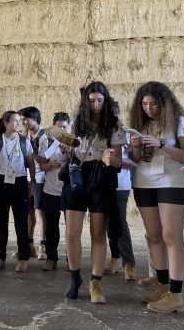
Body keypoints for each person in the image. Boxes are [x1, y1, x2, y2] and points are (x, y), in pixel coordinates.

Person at [129, 81, 184, 313]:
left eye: (154, 104)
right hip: (145, 181)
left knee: (171, 235)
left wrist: (162, 144)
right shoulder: (142, 125)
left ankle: (176, 294)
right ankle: (162, 285)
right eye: (144, 104)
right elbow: (138, 159)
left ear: (164, 103)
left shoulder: (178, 122)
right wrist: (135, 145)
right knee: (154, 236)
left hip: (172, 181)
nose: (148, 108)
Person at [63, 82, 125, 303]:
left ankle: (95, 283)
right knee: (72, 234)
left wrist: (110, 158)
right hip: (77, 176)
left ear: (106, 100)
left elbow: (118, 160)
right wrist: (63, 148)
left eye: (100, 100)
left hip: (101, 177)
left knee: (98, 233)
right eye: (91, 100)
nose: (96, 104)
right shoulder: (76, 123)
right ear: (85, 101)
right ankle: (74, 277)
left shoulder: (114, 126)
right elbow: (70, 151)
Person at [0, 111, 36, 272]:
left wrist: (32, 182)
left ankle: (23, 258)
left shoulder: (24, 141)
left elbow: (31, 163)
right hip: (1, 182)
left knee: (21, 221)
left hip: (20, 182)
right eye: (14, 121)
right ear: (6, 123)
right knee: (1, 221)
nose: (18, 123)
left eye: (19, 121)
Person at [105, 101, 137, 281]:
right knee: (110, 223)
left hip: (120, 183)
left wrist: (116, 160)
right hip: (105, 183)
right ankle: (116, 259)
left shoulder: (126, 133)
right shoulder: (102, 132)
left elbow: (134, 160)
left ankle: (128, 263)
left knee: (120, 223)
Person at [37, 112, 72, 271]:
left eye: (64, 128)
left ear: (69, 127)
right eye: (58, 128)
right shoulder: (46, 143)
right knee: (51, 225)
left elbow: (80, 163)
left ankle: (71, 257)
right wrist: (50, 165)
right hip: (50, 189)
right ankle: (51, 258)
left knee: (71, 226)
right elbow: (42, 165)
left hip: (68, 190)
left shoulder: (74, 143)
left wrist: (66, 153)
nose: (61, 131)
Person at [19, 106, 45, 259]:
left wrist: (32, 154)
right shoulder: (23, 135)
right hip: (26, 177)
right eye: (21, 119)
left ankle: (43, 247)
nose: (23, 122)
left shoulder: (44, 135)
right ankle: (29, 246)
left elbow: (45, 158)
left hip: (41, 177)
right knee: (28, 212)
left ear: (34, 119)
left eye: (25, 119)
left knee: (41, 212)